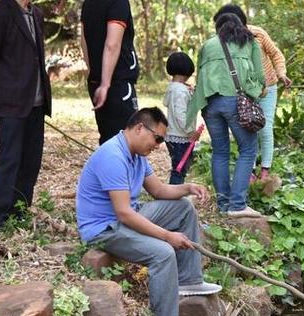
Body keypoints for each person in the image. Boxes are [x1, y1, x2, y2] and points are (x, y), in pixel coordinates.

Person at [76, 107, 221, 316]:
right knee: (163, 254)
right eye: (158, 139)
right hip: (104, 229)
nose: (158, 146)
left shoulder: (137, 155)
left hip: (125, 217)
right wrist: (166, 236)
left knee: (183, 208)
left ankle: (189, 281)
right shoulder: (113, 157)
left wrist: (188, 187)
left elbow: (159, 190)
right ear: (139, 128)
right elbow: (123, 213)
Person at [188, 13, 265, 218]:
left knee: (220, 151)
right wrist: (256, 92)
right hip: (234, 102)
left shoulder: (207, 45)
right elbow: (259, 77)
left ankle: (223, 204)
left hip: (209, 104)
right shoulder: (249, 42)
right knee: (248, 148)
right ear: (240, 25)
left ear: (218, 28)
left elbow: (200, 78)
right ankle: (237, 205)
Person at [0, 0, 52, 230]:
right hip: (10, 102)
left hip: (36, 101)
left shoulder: (36, 13)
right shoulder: (0, 13)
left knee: (31, 160)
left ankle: (19, 210)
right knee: (9, 159)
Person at [213, 4, 292, 180]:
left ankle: (265, 171)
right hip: (243, 92)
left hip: (268, 88)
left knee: (265, 128)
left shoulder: (258, 34)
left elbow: (276, 55)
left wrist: (281, 74)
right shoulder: (222, 41)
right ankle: (248, 172)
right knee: (246, 129)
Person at [80, 0, 139, 144]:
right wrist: (105, 83)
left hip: (97, 81)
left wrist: (95, 74)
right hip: (117, 82)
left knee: (107, 137)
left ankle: (108, 165)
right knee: (125, 139)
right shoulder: (118, 2)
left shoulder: (88, 3)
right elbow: (112, 44)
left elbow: (84, 42)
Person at [164, 52, 198, 185]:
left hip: (172, 134)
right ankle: (174, 194)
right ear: (187, 71)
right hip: (180, 136)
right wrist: (191, 131)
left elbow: (167, 102)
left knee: (178, 165)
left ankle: (175, 192)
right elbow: (181, 115)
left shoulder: (173, 88)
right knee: (179, 168)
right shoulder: (181, 91)